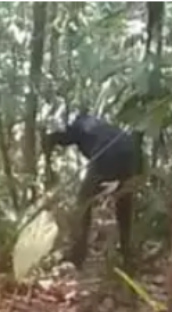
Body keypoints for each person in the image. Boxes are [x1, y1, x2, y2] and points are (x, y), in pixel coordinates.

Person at [44, 113, 143, 271]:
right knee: (124, 207)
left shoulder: (82, 124)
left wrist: (50, 140)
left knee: (83, 204)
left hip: (106, 153)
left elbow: (66, 138)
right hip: (130, 154)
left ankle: (77, 256)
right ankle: (128, 256)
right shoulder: (103, 126)